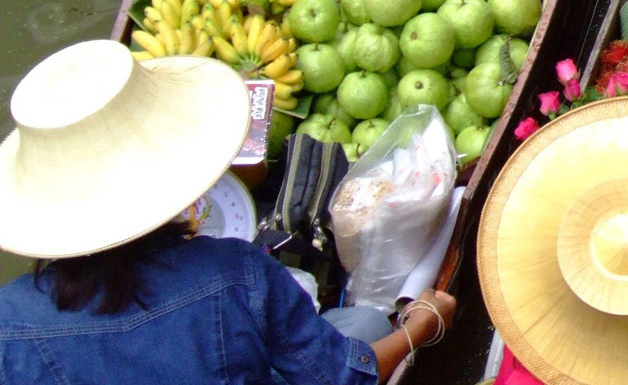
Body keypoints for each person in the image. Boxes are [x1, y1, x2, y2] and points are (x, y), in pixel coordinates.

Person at [0, 41, 457, 383]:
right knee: (368, 321)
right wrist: (420, 325)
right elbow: (338, 376)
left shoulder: (9, 320)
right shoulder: (235, 273)